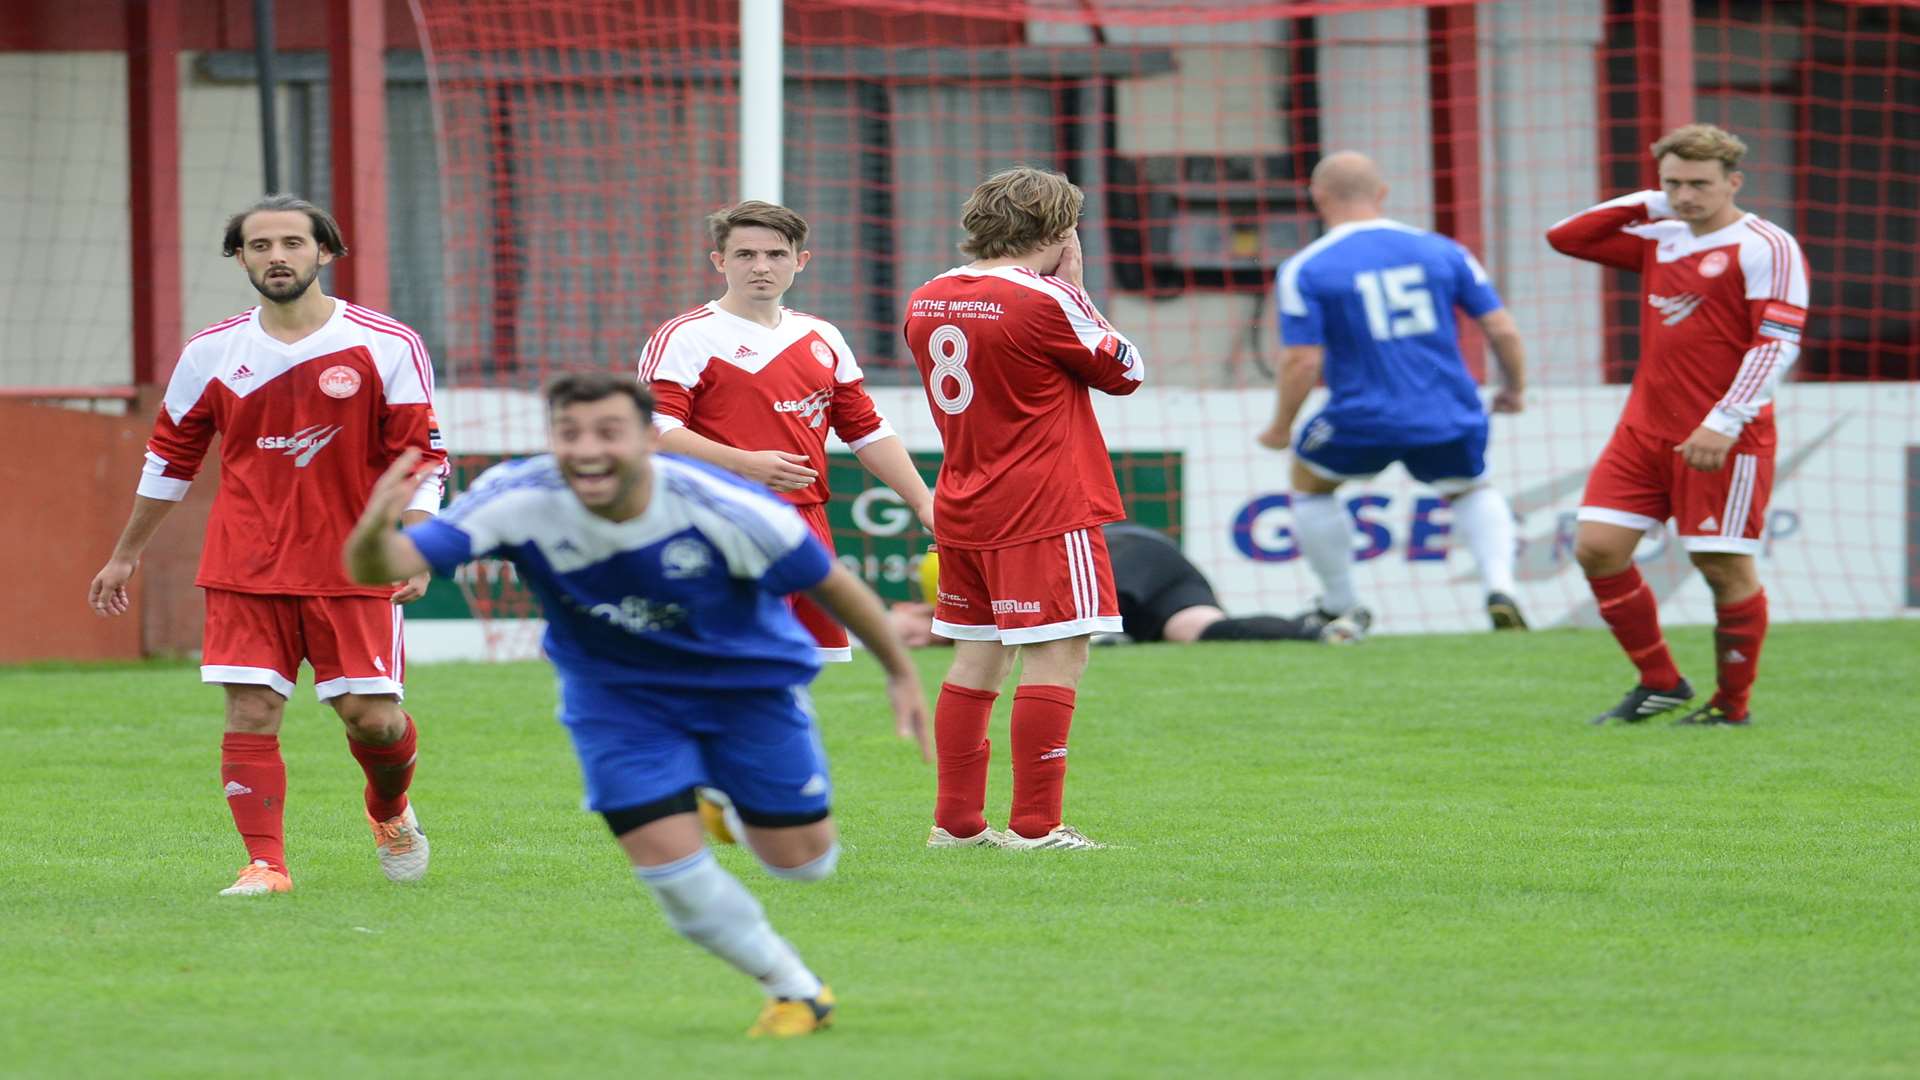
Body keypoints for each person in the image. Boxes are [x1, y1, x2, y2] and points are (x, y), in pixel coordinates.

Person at [343, 373, 931, 1038]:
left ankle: (728, 810)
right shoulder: (517, 496)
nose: (588, 450)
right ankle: (795, 990)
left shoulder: (718, 502)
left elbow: (833, 583)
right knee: (670, 871)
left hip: (745, 691)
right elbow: (378, 564)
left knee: (803, 864)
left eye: (608, 433)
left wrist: (901, 673)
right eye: (570, 434)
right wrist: (370, 527)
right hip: (616, 701)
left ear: (648, 441)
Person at [87, 194, 447, 897]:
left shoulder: (386, 343)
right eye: (259, 246)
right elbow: (169, 460)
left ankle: (390, 810)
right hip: (246, 560)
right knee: (250, 709)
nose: (276, 256)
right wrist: (125, 551)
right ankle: (265, 865)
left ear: (325, 253)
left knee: (373, 720)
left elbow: (423, 454)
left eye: (291, 243)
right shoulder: (212, 353)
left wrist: (418, 543)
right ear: (240, 258)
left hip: (354, 561)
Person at [903, 166, 1146, 852]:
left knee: (975, 658)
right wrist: (1074, 289)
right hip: (1043, 505)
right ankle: (1038, 827)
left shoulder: (926, 298)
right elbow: (1125, 371)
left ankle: (956, 824)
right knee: (1057, 657)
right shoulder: (1045, 300)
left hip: (964, 502)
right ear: (1059, 231)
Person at [1547, 124, 1808, 727]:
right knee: (1598, 549)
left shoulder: (1766, 245)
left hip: (1723, 436)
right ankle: (1660, 681)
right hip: (1643, 429)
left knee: (1722, 568)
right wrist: (1651, 201)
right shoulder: (1659, 236)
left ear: (1733, 183)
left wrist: (1723, 420)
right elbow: (1566, 238)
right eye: (1674, 183)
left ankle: (1731, 706)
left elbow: (1776, 343)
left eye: (1700, 184)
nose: (1686, 196)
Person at [640, 201, 934, 663]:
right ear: (720, 262)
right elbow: (653, 431)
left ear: (800, 261)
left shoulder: (822, 335)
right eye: (745, 255)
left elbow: (866, 429)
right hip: (723, 520)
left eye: (776, 254)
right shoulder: (686, 336)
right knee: (737, 665)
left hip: (808, 525)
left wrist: (923, 501)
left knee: (799, 667)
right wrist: (745, 463)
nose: (761, 266)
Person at [1256, 151, 1532, 634]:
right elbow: (1502, 329)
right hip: (1448, 409)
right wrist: (1514, 388)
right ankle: (1500, 586)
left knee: (1310, 483)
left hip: (1364, 414)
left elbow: (1302, 359)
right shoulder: (1443, 250)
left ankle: (1341, 602)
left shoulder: (1307, 267)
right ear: (1382, 193)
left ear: (1318, 197)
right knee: (1471, 488)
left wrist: (1281, 425)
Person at [891, 526, 1360, 647]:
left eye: (911, 634)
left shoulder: (950, 592)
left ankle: (1102, 633)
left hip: (1127, 556)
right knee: (1200, 630)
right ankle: (1316, 630)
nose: (916, 643)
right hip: (1158, 583)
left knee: (1066, 621)